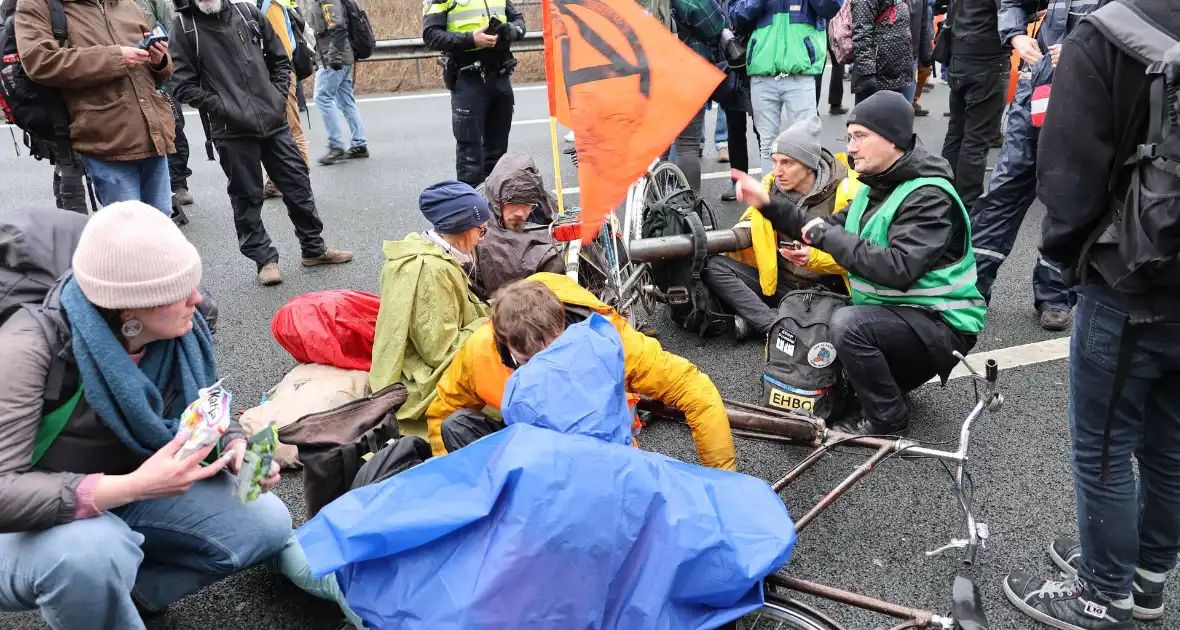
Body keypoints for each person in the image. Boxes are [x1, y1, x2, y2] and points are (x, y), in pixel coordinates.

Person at [0, 202, 292, 629]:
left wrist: (235, 443)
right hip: (27, 523)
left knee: (267, 524)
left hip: (128, 486)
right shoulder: (29, 347)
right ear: (127, 310)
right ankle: (92, 589)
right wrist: (132, 486)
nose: (196, 298)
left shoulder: (186, 325)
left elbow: (205, 404)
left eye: (191, 282)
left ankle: (121, 598)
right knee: (91, 554)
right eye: (177, 292)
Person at [1001, 1, 1180, 628]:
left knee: (1105, 446)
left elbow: (1067, 170)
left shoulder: (1106, 33)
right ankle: (1147, 580)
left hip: (1129, 277)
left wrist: (1068, 260)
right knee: (1170, 446)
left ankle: (1105, 593)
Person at [732, 91, 986, 436]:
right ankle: (887, 389)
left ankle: (887, 420)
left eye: (860, 137)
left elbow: (898, 269)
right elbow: (817, 229)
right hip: (902, 313)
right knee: (832, 321)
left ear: (893, 139)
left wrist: (824, 234)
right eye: (849, 137)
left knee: (848, 324)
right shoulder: (874, 187)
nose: (850, 147)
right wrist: (768, 204)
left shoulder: (929, 195)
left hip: (942, 324)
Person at [427, 273, 738, 471]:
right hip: (534, 467)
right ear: (505, 342)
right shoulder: (479, 352)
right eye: (532, 362)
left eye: (555, 353)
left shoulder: (613, 339)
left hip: (606, 468)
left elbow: (696, 391)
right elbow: (444, 413)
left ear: (562, 323)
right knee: (456, 426)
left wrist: (724, 483)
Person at [169, 0, 353, 285]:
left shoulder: (247, 13)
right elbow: (182, 85)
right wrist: (225, 107)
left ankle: (314, 248)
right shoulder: (184, 27)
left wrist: (276, 98)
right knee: (246, 196)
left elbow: (280, 59)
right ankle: (264, 259)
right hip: (231, 129)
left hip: (273, 121)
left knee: (297, 183)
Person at [968, 0, 1100, 332]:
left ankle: (1055, 295)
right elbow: (1013, 3)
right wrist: (1015, 35)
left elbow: (1141, 32)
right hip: (1037, 93)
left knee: (1067, 198)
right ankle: (971, 289)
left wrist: (1084, 53)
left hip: (1088, 100)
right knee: (1003, 191)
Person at [15, 0, 176, 214]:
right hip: (105, 139)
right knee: (126, 232)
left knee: (160, 225)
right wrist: (115, 57)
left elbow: (158, 73)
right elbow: (39, 61)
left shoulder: (128, 4)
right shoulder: (37, 4)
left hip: (153, 134)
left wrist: (159, 60)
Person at [704, 115, 854, 339]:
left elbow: (859, 256)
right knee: (714, 266)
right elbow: (749, 223)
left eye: (787, 163)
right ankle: (773, 326)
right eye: (774, 162)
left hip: (827, 290)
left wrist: (813, 257)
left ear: (809, 165)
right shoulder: (772, 187)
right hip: (782, 286)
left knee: (842, 323)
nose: (777, 171)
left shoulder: (846, 193)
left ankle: (772, 325)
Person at [369, 181, 491, 434]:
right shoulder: (431, 270)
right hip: (420, 381)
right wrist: (490, 322)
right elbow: (439, 352)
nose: (481, 239)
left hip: (410, 361)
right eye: (481, 230)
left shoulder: (422, 249)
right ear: (462, 229)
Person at [731, 0, 841, 177]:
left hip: (800, 73)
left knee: (806, 141)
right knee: (768, 145)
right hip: (762, 73)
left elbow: (832, 6)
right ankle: (771, 198)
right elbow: (736, 14)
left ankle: (808, 199)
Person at [423, 0, 525, 187]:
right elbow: (431, 35)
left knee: (498, 155)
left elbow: (519, 21)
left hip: (500, 77)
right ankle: (472, 211)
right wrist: (471, 39)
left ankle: (495, 207)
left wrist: (512, 30)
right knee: (470, 157)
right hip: (468, 78)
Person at [938, 0, 1007, 210]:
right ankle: (967, 206)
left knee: (956, 133)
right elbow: (1009, 10)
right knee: (976, 140)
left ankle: (943, 193)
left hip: (960, 55)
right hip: (987, 59)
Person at [472, 152, 564, 297]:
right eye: (513, 204)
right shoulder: (480, 216)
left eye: (527, 204)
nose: (520, 213)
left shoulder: (540, 199)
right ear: (497, 200)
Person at [665, 0, 726, 192]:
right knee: (687, 146)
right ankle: (686, 210)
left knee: (655, 148)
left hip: (643, 71)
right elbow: (714, 23)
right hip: (685, 69)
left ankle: (652, 212)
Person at [262, 0, 314, 197]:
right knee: (271, 130)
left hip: (280, 75)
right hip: (263, 76)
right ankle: (275, 180)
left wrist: (279, 81)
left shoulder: (269, 5)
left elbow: (282, 48)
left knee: (291, 127)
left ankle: (301, 179)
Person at [308, 0, 368, 166]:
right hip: (339, 57)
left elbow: (338, 28)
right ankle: (359, 143)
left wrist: (333, 58)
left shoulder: (328, 1)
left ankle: (336, 146)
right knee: (346, 100)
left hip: (334, 59)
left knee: (322, 97)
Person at [850, 0, 915, 104]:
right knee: (870, 118)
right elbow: (862, 35)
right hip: (876, 77)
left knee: (893, 118)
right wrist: (868, 75)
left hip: (896, 74)